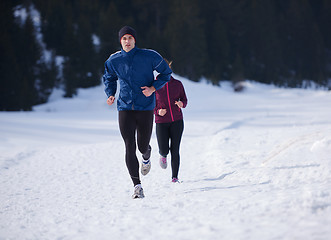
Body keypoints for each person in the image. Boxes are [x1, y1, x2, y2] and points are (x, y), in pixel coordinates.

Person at [103, 26, 172, 199]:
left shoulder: (149, 56)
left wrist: (153, 88)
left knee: (142, 146)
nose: (127, 41)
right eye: (124, 38)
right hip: (124, 107)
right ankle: (137, 186)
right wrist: (110, 94)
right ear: (120, 41)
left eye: (130, 38)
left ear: (135, 40)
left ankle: (147, 154)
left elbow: (166, 73)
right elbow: (109, 78)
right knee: (129, 145)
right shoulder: (114, 60)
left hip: (145, 107)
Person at [154, 60, 187, 183]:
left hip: (177, 121)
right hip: (161, 122)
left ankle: (175, 177)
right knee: (164, 149)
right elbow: (150, 105)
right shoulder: (154, 85)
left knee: (175, 149)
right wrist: (157, 111)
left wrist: (181, 104)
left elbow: (185, 99)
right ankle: (163, 155)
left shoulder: (177, 84)